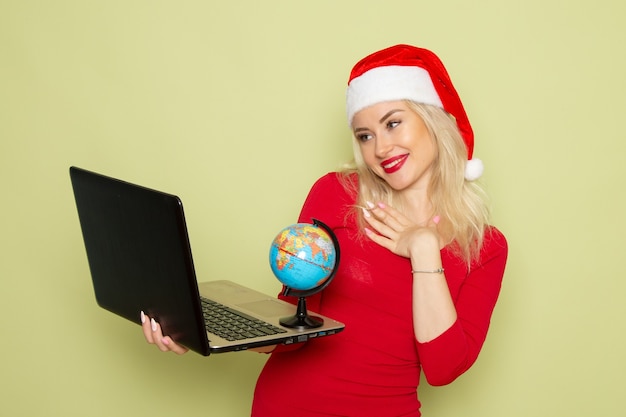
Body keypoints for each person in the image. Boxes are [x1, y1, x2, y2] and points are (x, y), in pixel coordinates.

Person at [141, 44, 508, 417]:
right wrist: (200, 333)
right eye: (365, 135)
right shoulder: (335, 194)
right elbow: (294, 329)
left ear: (433, 120)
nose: (380, 148)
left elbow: (443, 369)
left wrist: (424, 248)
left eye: (393, 123)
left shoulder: (485, 246)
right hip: (284, 406)